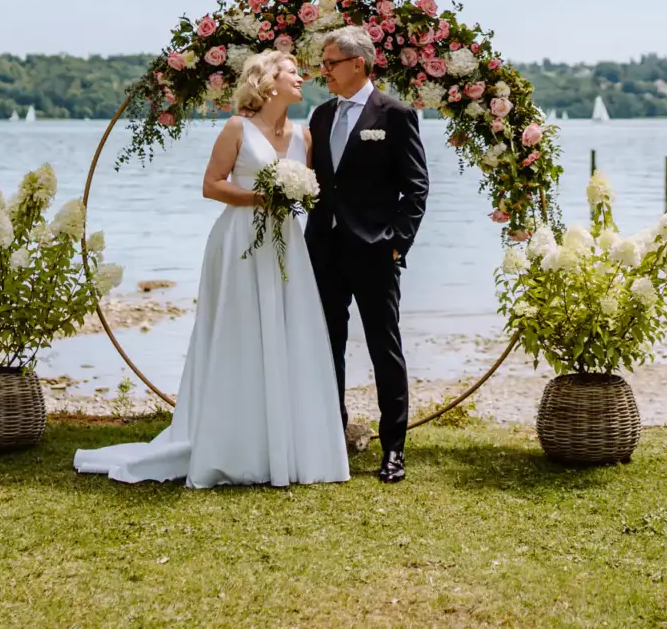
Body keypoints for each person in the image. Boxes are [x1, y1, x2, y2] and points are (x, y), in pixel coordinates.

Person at [72, 51, 349, 488]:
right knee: (239, 333)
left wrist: (298, 198)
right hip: (239, 240)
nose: (303, 78)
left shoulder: (305, 136)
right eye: (293, 72)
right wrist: (263, 198)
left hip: (286, 245)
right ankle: (232, 443)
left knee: (289, 330)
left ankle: (288, 444)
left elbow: (310, 192)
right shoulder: (238, 127)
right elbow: (211, 185)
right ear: (269, 82)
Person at [306, 25, 429, 483]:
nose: (324, 72)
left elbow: (416, 187)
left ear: (358, 63)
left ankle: (393, 448)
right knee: (326, 348)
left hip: (376, 252)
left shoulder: (394, 114)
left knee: (384, 349)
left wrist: (397, 243)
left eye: (330, 63)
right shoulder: (320, 116)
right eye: (322, 64)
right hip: (323, 249)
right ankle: (332, 438)